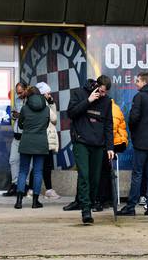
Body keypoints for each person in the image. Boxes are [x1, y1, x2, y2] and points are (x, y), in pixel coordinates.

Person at [117, 72, 148, 217]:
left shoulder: (139, 97)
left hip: (141, 141)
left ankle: (131, 207)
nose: (135, 83)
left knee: (137, 174)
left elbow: (133, 117)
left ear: (144, 82)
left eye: (137, 81)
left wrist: (135, 132)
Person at [67, 75, 114, 224]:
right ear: (95, 86)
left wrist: (110, 147)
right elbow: (71, 113)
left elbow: (108, 125)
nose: (103, 94)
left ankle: (91, 202)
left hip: (98, 144)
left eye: (105, 92)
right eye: (101, 91)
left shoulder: (106, 101)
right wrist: (88, 101)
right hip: (81, 141)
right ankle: (85, 210)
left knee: (95, 179)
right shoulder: (79, 94)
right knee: (84, 176)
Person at [14, 86, 50, 209]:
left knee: (23, 171)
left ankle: (19, 201)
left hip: (26, 142)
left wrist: (27, 129)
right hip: (40, 143)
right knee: (38, 172)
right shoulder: (46, 109)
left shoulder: (25, 108)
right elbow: (46, 125)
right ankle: (35, 202)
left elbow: (20, 124)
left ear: (28, 96)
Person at [94, 99, 128, 211]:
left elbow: (111, 130)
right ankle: (107, 199)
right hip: (113, 142)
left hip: (114, 143)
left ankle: (101, 200)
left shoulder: (112, 108)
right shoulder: (113, 107)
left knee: (102, 170)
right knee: (106, 170)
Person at [34, 82, 60, 199]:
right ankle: (48, 190)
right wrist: (51, 104)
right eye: (48, 93)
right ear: (43, 93)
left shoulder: (38, 103)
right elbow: (54, 119)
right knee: (45, 165)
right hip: (45, 138)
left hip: (41, 137)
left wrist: (51, 104)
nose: (50, 95)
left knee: (39, 165)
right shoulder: (43, 105)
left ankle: (31, 190)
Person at [3, 82, 27, 196]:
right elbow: (13, 115)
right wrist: (14, 115)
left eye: (21, 92)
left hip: (27, 135)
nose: (19, 95)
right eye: (17, 93)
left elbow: (32, 117)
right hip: (16, 135)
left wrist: (21, 115)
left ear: (26, 90)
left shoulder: (31, 101)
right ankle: (15, 184)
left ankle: (25, 186)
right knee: (13, 160)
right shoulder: (17, 100)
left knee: (27, 163)